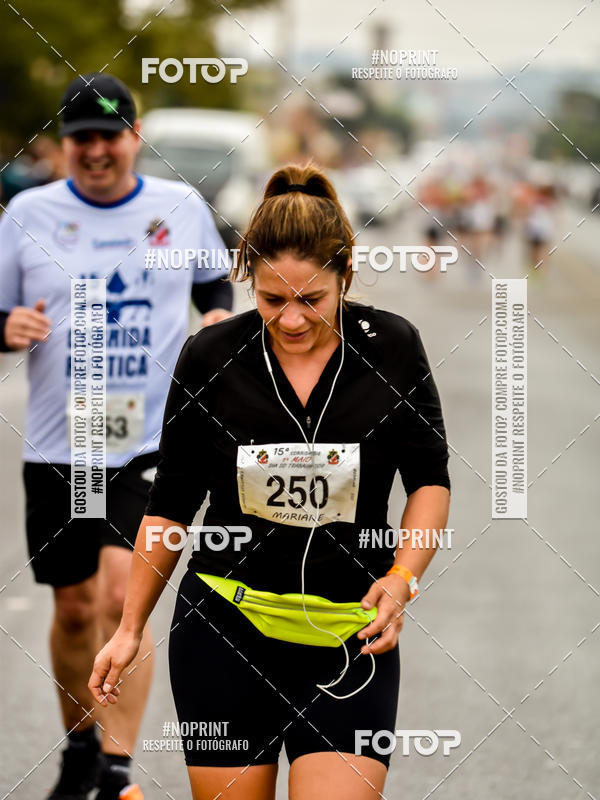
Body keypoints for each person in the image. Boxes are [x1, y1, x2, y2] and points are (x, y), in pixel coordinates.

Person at [89, 164, 451, 800]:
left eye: (312, 299)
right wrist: (128, 628)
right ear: (247, 279)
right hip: (224, 627)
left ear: (345, 275)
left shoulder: (392, 346)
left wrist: (403, 577)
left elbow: (429, 480)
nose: (291, 319)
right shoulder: (211, 355)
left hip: (348, 634)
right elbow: (170, 505)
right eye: (271, 299)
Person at [0, 72, 233, 800]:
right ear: (63, 144)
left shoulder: (179, 207)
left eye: (108, 136)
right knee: (73, 608)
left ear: (134, 136)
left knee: (116, 597)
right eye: (81, 140)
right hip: (59, 441)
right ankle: (80, 749)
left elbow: (213, 283)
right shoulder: (28, 213)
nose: (96, 151)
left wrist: (216, 318)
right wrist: (6, 328)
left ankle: (117, 769)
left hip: (147, 438)